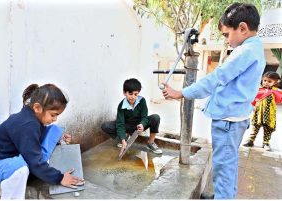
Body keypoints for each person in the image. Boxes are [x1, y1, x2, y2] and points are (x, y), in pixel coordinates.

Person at [162, 3, 265, 199]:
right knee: (228, 164)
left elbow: (216, 78)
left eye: (227, 34)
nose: (226, 40)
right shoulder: (256, 49)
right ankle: (223, 195)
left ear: (242, 28)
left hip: (228, 121)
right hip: (236, 118)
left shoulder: (244, 52)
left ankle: (223, 196)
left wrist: (181, 92)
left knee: (223, 170)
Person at [0, 84, 84, 199]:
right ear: (37, 108)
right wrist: (59, 178)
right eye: (53, 115)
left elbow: (35, 140)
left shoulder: (33, 118)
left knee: (54, 130)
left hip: (17, 155)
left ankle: (38, 170)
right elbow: (34, 161)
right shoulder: (27, 125)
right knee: (20, 169)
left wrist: (58, 140)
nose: (55, 119)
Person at [101, 78, 162, 154]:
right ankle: (125, 138)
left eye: (135, 94)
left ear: (138, 93)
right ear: (124, 93)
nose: (133, 97)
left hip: (139, 126)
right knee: (106, 126)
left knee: (155, 117)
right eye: (130, 94)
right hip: (128, 126)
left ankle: (150, 143)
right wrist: (122, 139)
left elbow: (144, 117)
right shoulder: (121, 106)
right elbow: (120, 124)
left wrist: (142, 124)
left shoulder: (142, 101)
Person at [243, 71, 282, 151]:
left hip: (269, 114)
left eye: (269, 81)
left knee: (268, 129)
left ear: (275, 82)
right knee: (255, 127)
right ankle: (250, 140)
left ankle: (266, 143)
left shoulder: (276, 91)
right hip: (258, 113)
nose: (266, 83)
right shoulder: (259, 90)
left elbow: (279, 99)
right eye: (265, 80)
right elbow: (253, 100)